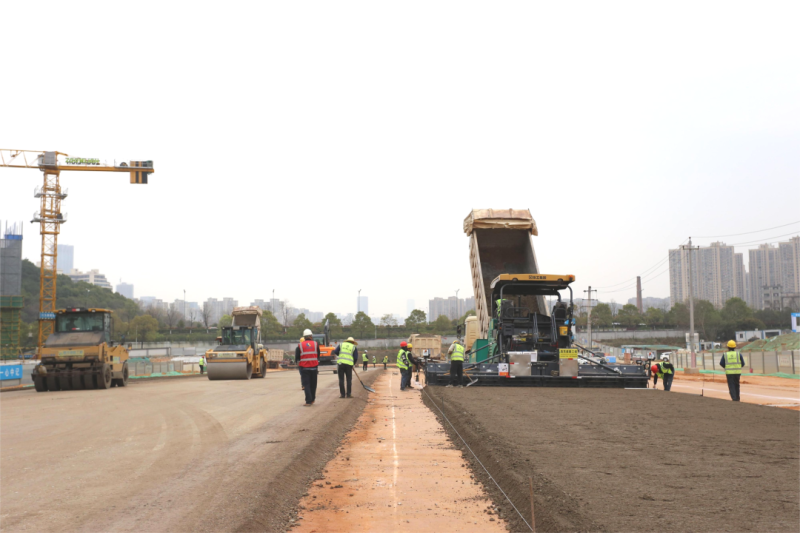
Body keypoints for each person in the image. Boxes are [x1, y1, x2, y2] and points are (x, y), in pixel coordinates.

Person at [295, 329, 320, 406]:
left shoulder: (300, 345)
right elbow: (318, 354)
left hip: (304, 368)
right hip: (314, 367)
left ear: (304, 337)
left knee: (306, 384)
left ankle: (308, 401)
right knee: (313, 384)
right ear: (311, 336)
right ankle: (312, 399)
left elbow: (297, 357)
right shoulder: (316, 344)